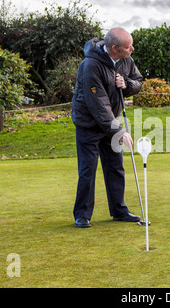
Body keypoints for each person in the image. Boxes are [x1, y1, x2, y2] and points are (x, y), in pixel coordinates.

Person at [71, 27, 143, 228]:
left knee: (115, 166)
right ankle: (82, 214)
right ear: (114, 48)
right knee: (88, 169)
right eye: (128, 47)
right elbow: (98, 104)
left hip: (111, 123)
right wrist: (119, 131)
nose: (132, 49)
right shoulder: (90, 66)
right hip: (89, 124)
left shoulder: (126, 59)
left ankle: (119, 211)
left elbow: (138, 83)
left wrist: (126, 83)